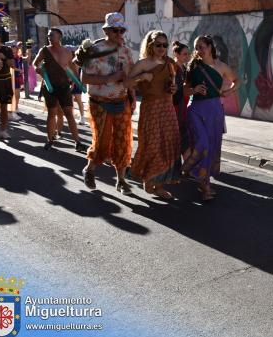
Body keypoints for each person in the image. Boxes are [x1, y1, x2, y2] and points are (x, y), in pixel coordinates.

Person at [76, 12, 137, 195]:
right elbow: (85, 78)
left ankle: (121, 180)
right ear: (107, 30)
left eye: (122, 30)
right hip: (99, 103)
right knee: (102, 141)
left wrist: (132, 97)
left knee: (122, 140)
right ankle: (90, 169)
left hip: (122, 101)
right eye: (116, 30)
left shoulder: (126, 51)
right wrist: (111, 77)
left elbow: (131, 76)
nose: (120, 34)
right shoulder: (95, 50)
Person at [182, 35, 239, 201]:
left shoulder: (221, 66)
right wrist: (194, 90)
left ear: (210, 47)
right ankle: (191, 169)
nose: (199, 50)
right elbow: (185, 91)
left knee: (212, 146)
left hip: (214, 110)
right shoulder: (192, 66)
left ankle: (204, 183)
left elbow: (237, 80)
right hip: (196, 110)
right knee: (203, 143)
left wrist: (229, 91)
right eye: (197, 47)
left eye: (202, 47)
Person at [128, 31, 180, 198]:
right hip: (151, 109)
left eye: (165, 45)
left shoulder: (170, 63)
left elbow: (173, 86)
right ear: (150, 44)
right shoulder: (143, 64)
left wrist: (173, 88)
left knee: (167, 145)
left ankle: (159, 185)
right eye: (158, 44)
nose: (162, 48)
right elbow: (126, 83)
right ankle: (148, 178)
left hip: (167, 108)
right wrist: (142, 76)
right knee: (152, 144)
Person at [32, 28, 86, 152]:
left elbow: (73, 67)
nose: (49, 37)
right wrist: (38, 69)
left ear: (59, 37)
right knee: (52, 113)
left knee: (69, 114)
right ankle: (50, 140)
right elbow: (35, 63)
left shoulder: (67, 52)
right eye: (48, 35)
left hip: (64, 86)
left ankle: (77, 142)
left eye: (52, 35)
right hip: (49, 86)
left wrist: (75, 81)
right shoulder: (44, 50)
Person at [171, 41, 190, 159]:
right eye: (184, 54)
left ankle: (185, 164)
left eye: (188, 54)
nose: (187, 56)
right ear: (176, 54)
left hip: (182, 105)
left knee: (182, 134)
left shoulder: (183, 67)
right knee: (178, 135)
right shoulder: (173, 67)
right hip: (175, 106)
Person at [9, 41, 25, 121]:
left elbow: (26, 60)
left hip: (18, 78)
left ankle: (15, 108)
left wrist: (29, 49)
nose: (15, 48)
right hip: (11, 78)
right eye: (13, 47)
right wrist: (19, 70)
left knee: (17, 95)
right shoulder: (9, 57)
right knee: (14, 96)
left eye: (15, 47)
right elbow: (11, 67)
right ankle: (12, 112)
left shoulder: (19, 57)